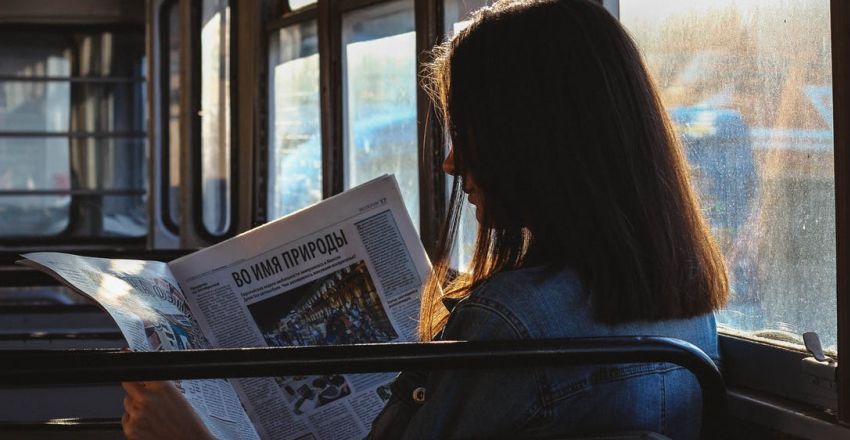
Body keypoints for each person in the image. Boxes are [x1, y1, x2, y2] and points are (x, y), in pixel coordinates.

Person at [120, 0, 727, 439]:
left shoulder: (508, 324)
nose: (451, 161)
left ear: (536, 144)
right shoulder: (687, 309)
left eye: (468, 133)